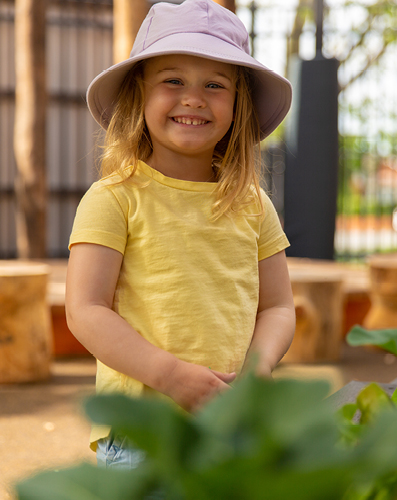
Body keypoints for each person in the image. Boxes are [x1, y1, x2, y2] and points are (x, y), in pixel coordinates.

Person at [65, 0, 296, 469]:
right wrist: (169, 375)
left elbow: (278, 306)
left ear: (238, 104)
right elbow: (85, 310)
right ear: (139, 96)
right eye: (173, 80)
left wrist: (259, 366)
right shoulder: (114, 198)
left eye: (215, 84)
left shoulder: (253, 205)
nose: (194, 98)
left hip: (233, 427)